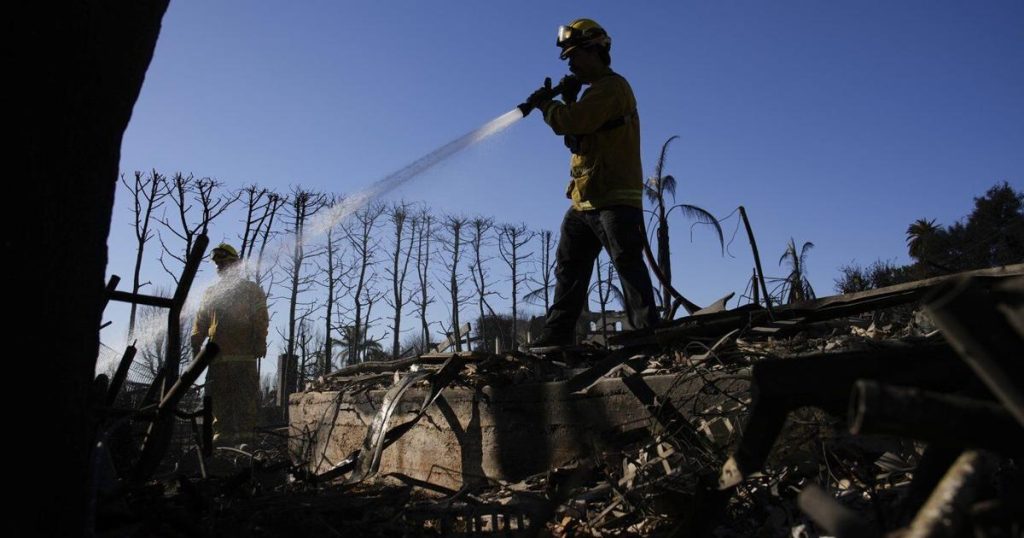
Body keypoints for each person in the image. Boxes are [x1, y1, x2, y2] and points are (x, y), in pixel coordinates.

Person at [523, 18, 658, 352]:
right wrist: (567, 101)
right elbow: (578, 136)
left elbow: (573, 123)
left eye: (575, 55)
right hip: (586, 199)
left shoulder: (612, 88)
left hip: (614, 197)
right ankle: (557, 334)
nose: (570, 64)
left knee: (627, 263)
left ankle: (648, 335)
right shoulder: (593, 95)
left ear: (596, 50)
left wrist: (548, 105)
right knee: (569, 266)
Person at [191, 242, 269, 446]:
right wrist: (196, 339)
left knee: (245, 400)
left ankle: (246, 443)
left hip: (244, 356)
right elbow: (201, 319)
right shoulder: (211, 293)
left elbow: (261, 317)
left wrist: (260, 340)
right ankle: (222, 443)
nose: (220, 269)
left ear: (236, 265)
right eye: (217, 265)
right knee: (219, 402)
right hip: (218, 358)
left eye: (224, 264)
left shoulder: (251, 290)